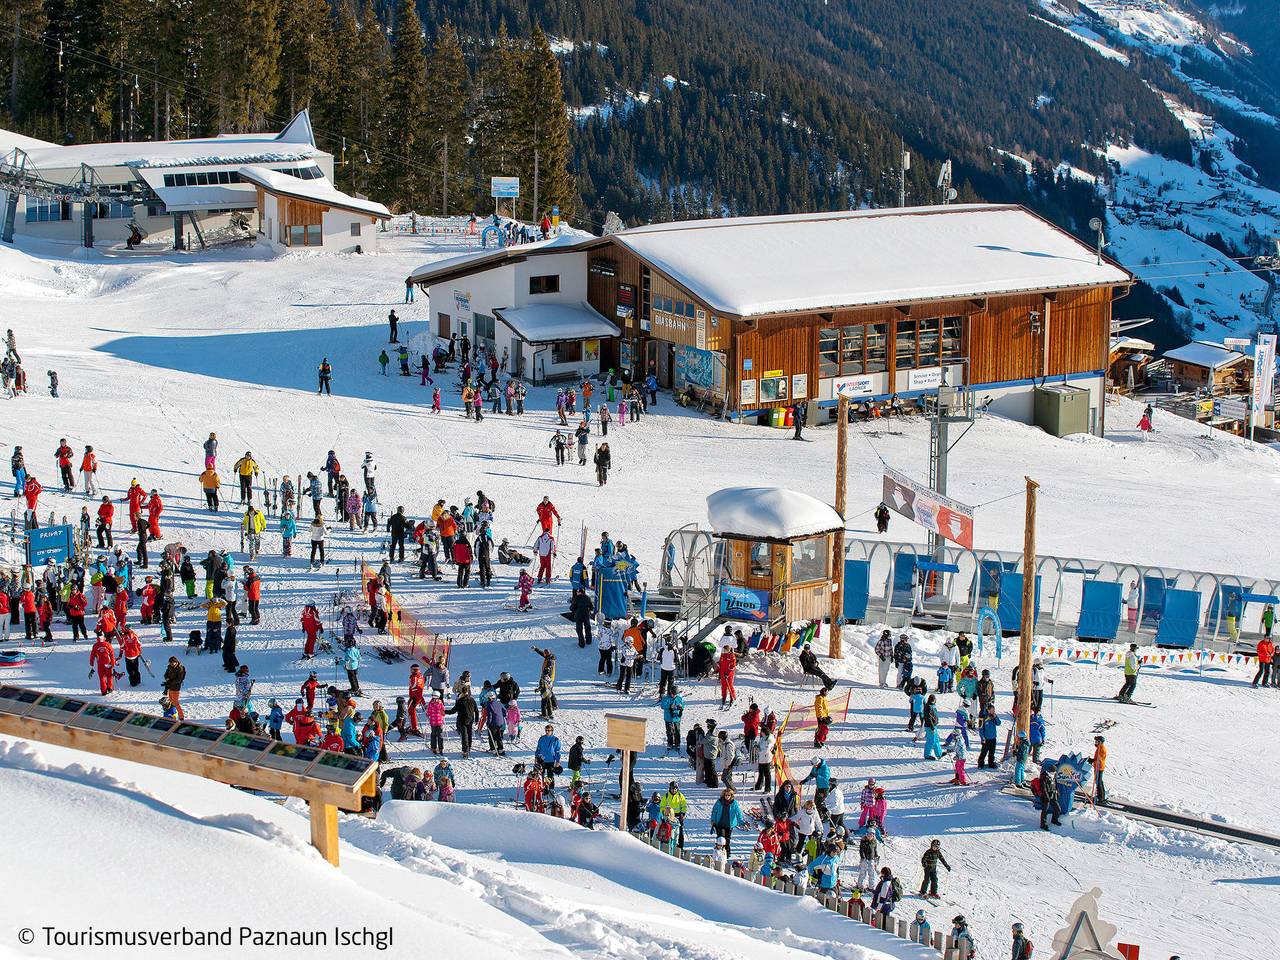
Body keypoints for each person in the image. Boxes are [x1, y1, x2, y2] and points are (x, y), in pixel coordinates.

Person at [710, 787, 746, 854]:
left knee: (727, 839)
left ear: (731, 795)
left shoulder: (734, 803)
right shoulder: (719, 802)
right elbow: (714, 811)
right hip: (719, 823)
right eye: (726, 795)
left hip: (729, 824)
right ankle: (718, 852)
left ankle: (727, 852)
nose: (727, 797)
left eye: (728, 795)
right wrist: (713, 820)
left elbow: (738, 813)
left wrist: (741, 822)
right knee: (721, 839)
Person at [1039, 761, 1062, 830]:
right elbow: (1043, 788)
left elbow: (1056, 784)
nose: (1055, 773)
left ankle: (1054, 820)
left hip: (1053, 795)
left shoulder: (1053, 776)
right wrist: (1046, 796)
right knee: (1045, 811)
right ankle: (1043, 824)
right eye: (1054, 772)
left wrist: (1057, 792)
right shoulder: (1044, 777)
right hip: (1046, 797)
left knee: (1058, 809)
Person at [1092, 735, 1108, 806]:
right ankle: (1101, 796)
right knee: (1099, 782)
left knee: (1098, 782)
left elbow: (1100, 760)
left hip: (1099, 767)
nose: (1095, 743)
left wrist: (1094, 761)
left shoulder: (1101, 749)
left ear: (1100, 742)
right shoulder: (1099, 748)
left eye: (1096, 741)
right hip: (1098, 766)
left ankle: (1101, 798)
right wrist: (1092, 760)